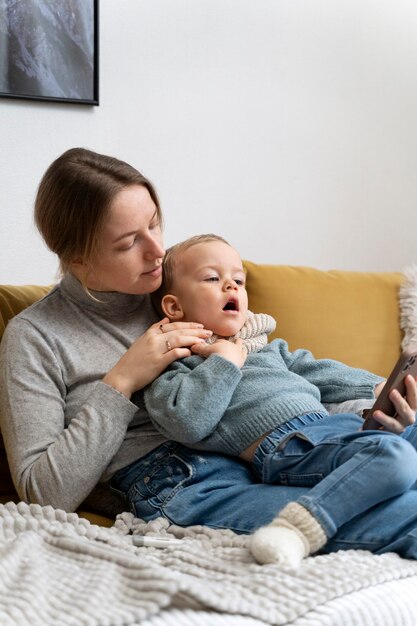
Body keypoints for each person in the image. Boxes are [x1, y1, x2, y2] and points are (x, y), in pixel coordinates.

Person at [2, 148, 417, 569]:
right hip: (187, 484)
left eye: (154, 224)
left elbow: (277, 376)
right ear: (77, 258)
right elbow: (44, 493)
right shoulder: (35, 337)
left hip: (268, 459)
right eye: (130, 242)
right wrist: (122, 381)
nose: (156, 251)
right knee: (406, 513)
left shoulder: (193, 287)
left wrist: (380, 403)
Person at [144, 234, 417, 566]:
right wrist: (225, 362)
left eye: (238, 280)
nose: (231, 287)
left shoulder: (269, 349)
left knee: (407, 437)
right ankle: (298, 528)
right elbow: (187, 422)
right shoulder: (178, 366)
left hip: (334, 431)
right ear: (174, 306)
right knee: (394, 454)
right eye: (213, 278)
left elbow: (323, 372)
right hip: (287, 448)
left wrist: (380, 388)